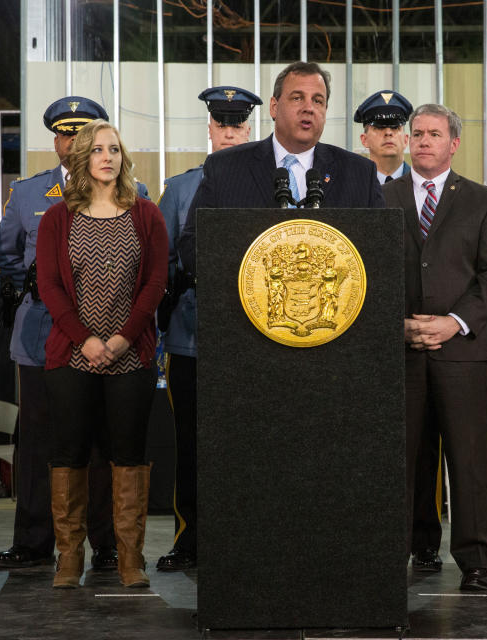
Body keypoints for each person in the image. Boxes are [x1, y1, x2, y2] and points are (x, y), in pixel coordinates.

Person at [0, 97, 145, 571]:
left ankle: (103, 544)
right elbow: (9, 261)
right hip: (42, 333)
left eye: (83, 135)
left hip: (109, 336)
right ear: (57, 142)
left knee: (100, 442)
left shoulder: (132, 193)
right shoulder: (29, 194)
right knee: (39, 441)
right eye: (64, 135)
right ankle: (35, 541)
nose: (72, 143)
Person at [36, 119, 168, 589]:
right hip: (71, 356)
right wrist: (86, 339)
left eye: (114, 149)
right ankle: (69, 559)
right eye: (96, 150)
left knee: (128, 454)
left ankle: (131, 558)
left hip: (131, 356)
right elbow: (49, 287)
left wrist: (120, 340)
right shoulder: (57, 218)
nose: (107, 157)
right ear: (81, 159)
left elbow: (155, 285)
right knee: (69, 454)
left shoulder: (147, 214)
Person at [384, 103, 487, 591]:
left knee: (469, 461)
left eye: (434, 134)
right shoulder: (384, 197)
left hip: (464, 351)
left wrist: (454, 323)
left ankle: (478, 561)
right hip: (401, 350)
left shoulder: (481, 200)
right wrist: (398, 326)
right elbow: (369, 273)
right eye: (416, 133)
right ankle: (390, 555)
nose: (423, 141)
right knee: (400, 460)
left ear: (454, 143)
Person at [156, 85, 261, 572]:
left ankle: (249, 536)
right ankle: (189, 537)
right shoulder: (179, 189)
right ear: (211, 129)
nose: (231, 133)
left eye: (239, 125)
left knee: (253, 442)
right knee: (191, 443)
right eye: (223, 125)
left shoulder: (274, 182)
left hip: (258, 339)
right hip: (192, 333)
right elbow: (161, 267)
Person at [177, 60, 384, 274]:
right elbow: (193, 246)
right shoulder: (224, 168)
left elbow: (381, 251)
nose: (308, 108)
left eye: (318, 101)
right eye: (297, 98)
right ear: (274, 107)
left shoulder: (360, 174)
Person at [357, 88, 443, 572]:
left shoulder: (430, 185)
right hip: (368, 333)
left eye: (399, 126)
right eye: (381, 126)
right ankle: (379, 534)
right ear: (365, 135)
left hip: (422, 332)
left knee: (424, 440)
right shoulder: (348, 183)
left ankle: (425, 536)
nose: (391, 133)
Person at [355, 89, 412, 184]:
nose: (388, 132)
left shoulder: (421, 183)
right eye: (379, 127)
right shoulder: (352, 184)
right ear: (364, 140)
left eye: (395, 127)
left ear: (406, 140)